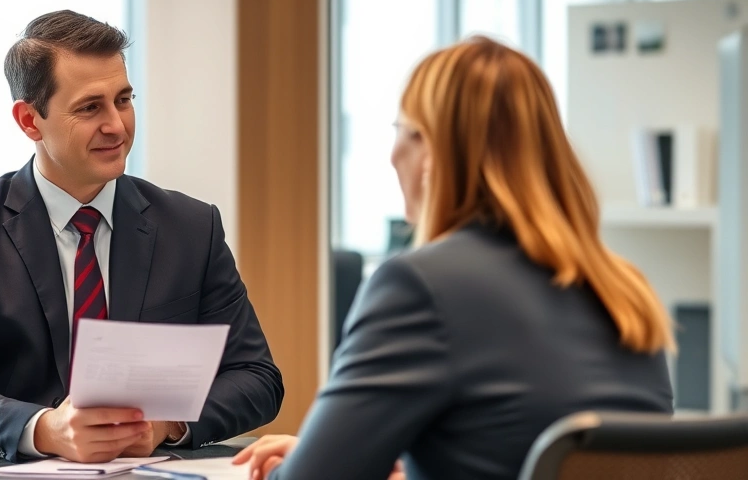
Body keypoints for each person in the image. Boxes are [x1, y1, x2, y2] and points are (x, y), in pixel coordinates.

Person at [234, 37, 674, 480]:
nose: (391, 155)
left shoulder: (419, 285)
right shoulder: (622, 289)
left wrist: (307, 463)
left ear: (433, 150)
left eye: (403, 131)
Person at [0, 9, 283, 463]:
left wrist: (167, 423)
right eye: (90, 108)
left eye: (123, 100)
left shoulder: (191, 228)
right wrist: (47, 430)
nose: (117, 126)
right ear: (30, 121)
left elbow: (257, 377)